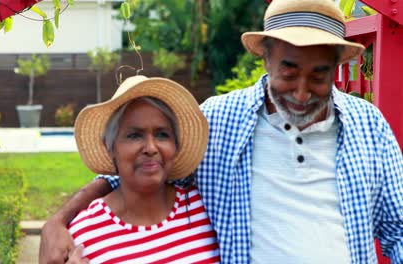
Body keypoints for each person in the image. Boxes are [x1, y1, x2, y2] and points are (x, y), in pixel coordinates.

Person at [40, 0, 403, 263]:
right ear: (265, 57)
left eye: (319, 76)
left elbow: (398, 227)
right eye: (289, 73)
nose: (302, 92)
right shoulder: (219, 119)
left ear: (337, 64)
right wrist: (57, 221)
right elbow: (134, 167)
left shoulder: (368, 126)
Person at [54, 75, 220, 263]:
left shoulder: (206, 210)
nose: (150, 148)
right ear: (110, 148)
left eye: (162, 135)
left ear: (176, 146)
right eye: (134, 135)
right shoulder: (83, 237)